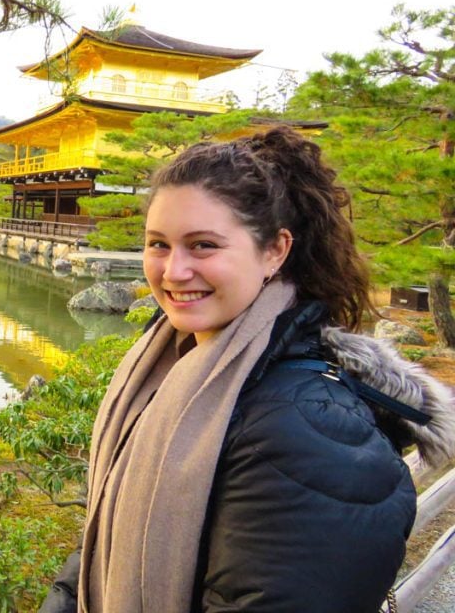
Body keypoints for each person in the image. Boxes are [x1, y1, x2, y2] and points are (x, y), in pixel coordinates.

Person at [39, 126, 455, 613]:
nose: (174, 271)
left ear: (275, 251)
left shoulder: (307, 429)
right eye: (158, 244)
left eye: (204, 245)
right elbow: (104, 539)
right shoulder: (177, 372)